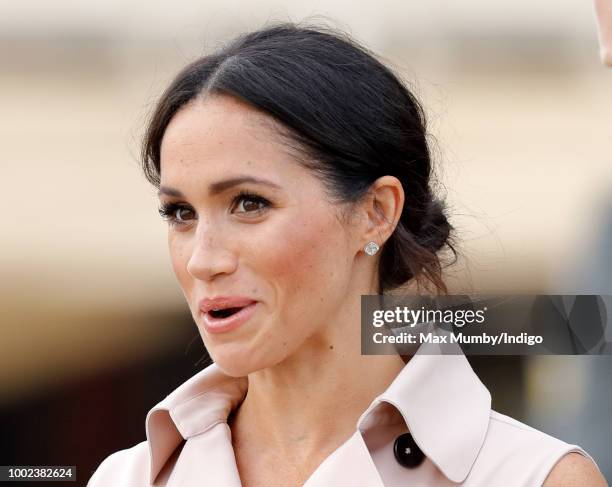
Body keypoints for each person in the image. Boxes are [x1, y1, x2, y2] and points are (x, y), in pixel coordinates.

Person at [87, 23, 607, 486]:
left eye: (249, 203)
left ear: (375, 212)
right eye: (180, 213)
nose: (203, 260)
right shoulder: (127, 477)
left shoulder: (534, 477)